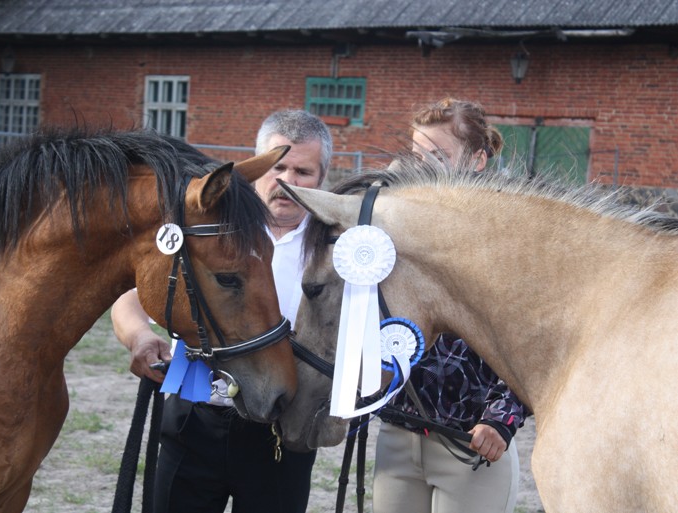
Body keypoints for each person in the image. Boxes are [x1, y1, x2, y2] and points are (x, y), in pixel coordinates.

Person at [111, 109, 333, 513]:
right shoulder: (206, 227)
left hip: (277, 425)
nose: (287, 182)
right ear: (256, 165)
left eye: (303, 171)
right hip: (193, 417)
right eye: (278, 166)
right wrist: (139, 336)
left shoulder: (336, 252)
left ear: (322, 179)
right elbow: (129, 295)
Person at [372, 98, 531, 513]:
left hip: (473, 447)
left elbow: (531, 341)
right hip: (397, 437)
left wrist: (503, 419)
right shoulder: (392, 231)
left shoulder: (509, 239)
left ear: (477, 160)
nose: (421, 166)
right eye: (416, 154)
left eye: (438, 156)